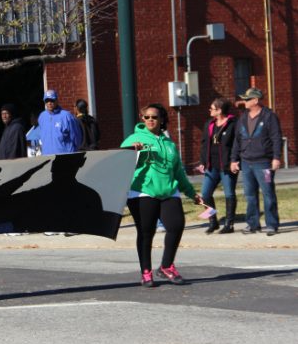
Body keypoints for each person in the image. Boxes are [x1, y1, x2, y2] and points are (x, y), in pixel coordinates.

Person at [121, 103, 202, 288]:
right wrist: (134, 152)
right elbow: (120, 163)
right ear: (142, 119)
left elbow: (178, 172)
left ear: (162, 119)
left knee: (176, 225)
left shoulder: (169, 143)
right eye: (147, 117)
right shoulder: (133, 139)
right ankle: (146, 272)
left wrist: (192, 193)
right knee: (146, 232)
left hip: (168, 190)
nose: (150, 120)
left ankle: (166, 266)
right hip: (142, 191)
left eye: (154, 117)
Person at [229, 87, 283, 236]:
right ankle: (253, 224)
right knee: (249, 195)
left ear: (256, 100)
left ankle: (271, 224)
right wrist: (234, 160)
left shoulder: (269, 116)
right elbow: (237, 141)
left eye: (247, 99)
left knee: (268, 193)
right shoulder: (242, 118)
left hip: (264, 163)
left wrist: (276, 157)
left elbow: (276, 138)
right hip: (246, 163)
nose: (244, 101)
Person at [195, 98, 238, 234]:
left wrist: (235, 160)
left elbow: (237, 144)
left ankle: (229, 224)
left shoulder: (233, 124)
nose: (210, 110)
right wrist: (202, 162)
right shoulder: (209, 124)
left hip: (226, 166)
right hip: (211, 165)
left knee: (229, 194)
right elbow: (204, 144)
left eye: (212, 108)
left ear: (219, 110)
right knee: (205, 194)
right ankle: (213, 221)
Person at [37, 89, 82, 155]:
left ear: (57, 100)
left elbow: (76, 138)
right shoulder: (42, 117)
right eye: (47, 100)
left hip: (64, 157)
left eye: (52, 100)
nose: (49, 103)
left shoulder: (67, 116)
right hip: (47, 157)